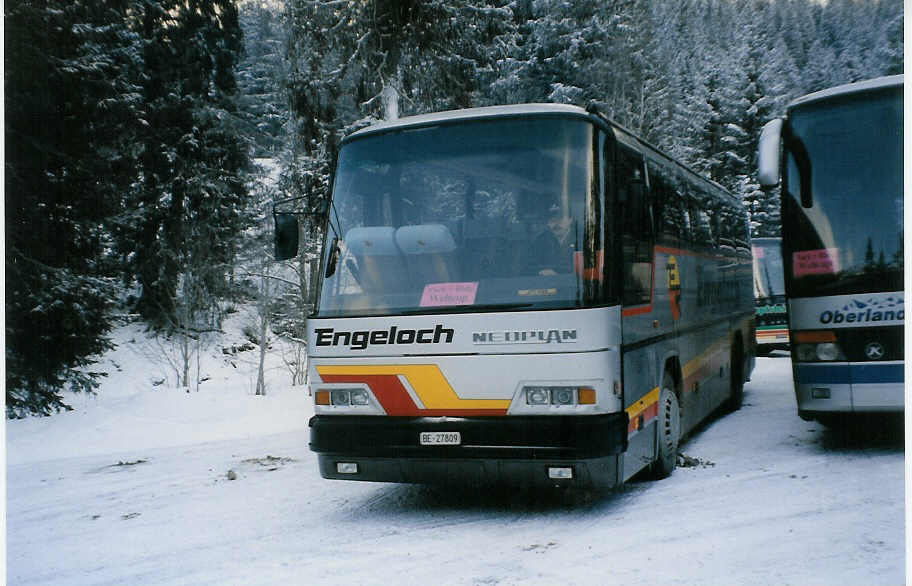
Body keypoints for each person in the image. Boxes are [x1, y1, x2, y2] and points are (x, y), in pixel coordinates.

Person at [527, 204, 576, 275]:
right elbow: (530, 267)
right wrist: (540, 272)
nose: (556, 223)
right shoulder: (540, 241)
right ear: (547, 223)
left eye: (560, 219)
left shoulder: (581, 238)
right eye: (551, 220)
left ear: (570, 220)